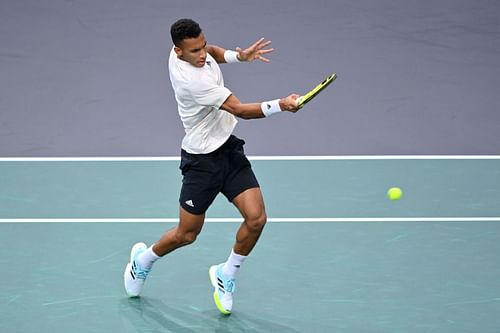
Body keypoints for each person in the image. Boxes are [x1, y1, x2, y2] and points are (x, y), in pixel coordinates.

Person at [124, 18, 300, 315]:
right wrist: (280, 105)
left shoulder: (186, 50)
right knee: (187, 234)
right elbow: (240, 110)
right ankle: (142, 262)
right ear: (178, 52)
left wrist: (237, 56)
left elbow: (214, 52)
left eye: (202, 45)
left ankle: (226, 273)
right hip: (201, 161)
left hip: (227, 150)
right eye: (194, 51)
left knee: (256, 219)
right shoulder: (194, 83)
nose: (202, 54)